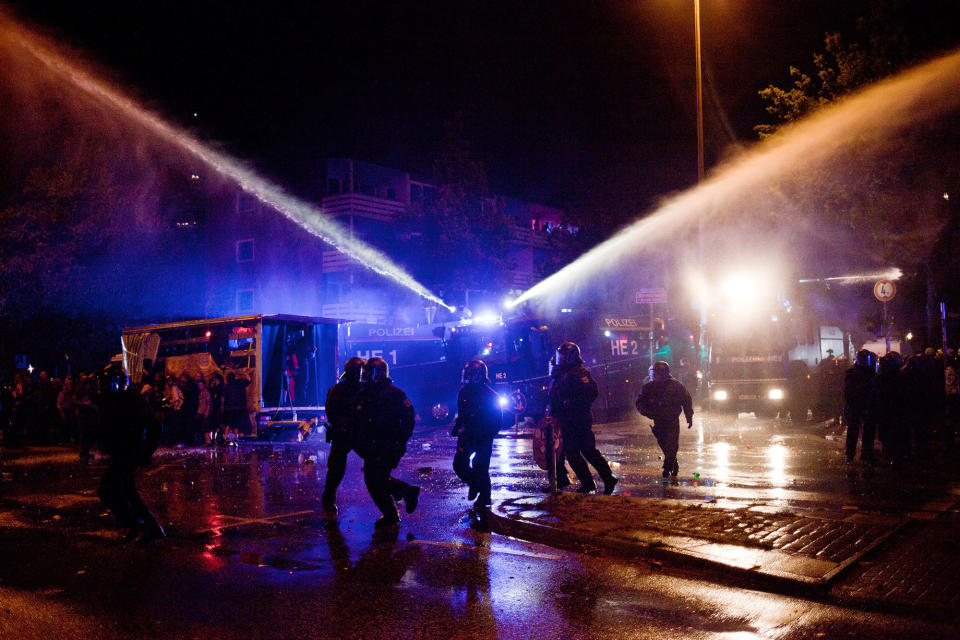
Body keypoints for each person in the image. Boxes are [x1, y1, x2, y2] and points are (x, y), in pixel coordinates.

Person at [95, 373, 164, 544]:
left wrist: (145, 452)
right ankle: (151, 527)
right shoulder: (112, 401)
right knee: (127, 491)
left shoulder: (133, 401)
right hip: (122, 453)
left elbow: (154, 426)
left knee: (107, 490)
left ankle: (134, 523)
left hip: (128, 453)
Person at [354, 357, 420, 527]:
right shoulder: (365, 392)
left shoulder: (394, 394)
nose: (366, 375)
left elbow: (409, 417)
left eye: (369, 372)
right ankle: (396, 506)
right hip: (371, 444)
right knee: (376, 480)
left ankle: (400, 501)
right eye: (365, 372)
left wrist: (401, 440)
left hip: (387, 444)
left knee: (376, 479)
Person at [548, 342, 617, 495]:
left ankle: (608, 479)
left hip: (578, 418)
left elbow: (590, 393)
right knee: (572, 452)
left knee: (587, 451)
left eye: (563, 355)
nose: (560, 358)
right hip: (566, 418)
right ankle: (588, 483)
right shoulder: (562, 373)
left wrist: (572, 403)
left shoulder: (579, 373)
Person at [451, 360, 503, 521]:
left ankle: (485, 497)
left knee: (480, 467)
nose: (468, 377)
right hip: (467, 435)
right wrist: (458, 426)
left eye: (471, 374)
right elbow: (462, 413)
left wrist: (487, 435)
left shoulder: (490, 395)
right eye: (467, 374)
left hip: (483, 436)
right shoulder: (464, 392)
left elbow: (497, 420)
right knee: (459, 465)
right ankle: (475, 484)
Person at [321, 357, 366, 513]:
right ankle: (396, 492)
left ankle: (328, 500)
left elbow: (330, 412)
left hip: (341, 434)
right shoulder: (365, 390)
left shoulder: (335, 390)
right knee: (376, 466)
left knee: (335, 470)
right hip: (360, 434)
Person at [636, 360, 694, 479]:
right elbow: (640, 403)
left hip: (672, 420)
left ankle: (667, 468)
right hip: (658, 420)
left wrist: (689, 417)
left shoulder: (676, 386)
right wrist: (648, 413)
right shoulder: (649, 387)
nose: (657, 376)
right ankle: (673, 463)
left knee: (672, 445)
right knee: (665, 445)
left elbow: (686, 400)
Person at [844, 349, 876, 463]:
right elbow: (848, 391)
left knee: (865, 431)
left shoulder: (869, 371)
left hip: (864, 404)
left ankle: (864, 454)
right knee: (855, 430)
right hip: (857, 405)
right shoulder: (853, 371)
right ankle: (851, 453)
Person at [222, 371, 251, 446]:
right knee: (236, 425)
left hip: (228, 408)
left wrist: (222, 407)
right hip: (238, 408)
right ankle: (235, 439)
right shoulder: (239, 383)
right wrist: (245, 373)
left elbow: (223, 398)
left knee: (228, 424)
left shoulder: (226, 386)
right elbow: (249, 380)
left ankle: (226, 438)